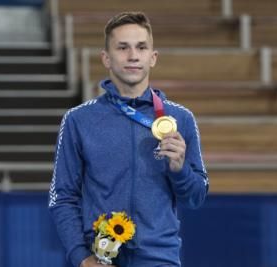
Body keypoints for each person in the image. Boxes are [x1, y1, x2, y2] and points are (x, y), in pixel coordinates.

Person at [48, 11, 209, 267]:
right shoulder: (78, 120)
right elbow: (62, 197)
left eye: (141, 47)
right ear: (106, 58)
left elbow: (196, 197)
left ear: (153, 57)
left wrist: (180, 171)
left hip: (159, 259)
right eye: (122, 48)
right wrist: (81, 257)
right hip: (101, 259)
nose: (133, 56)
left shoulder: (180, 119)